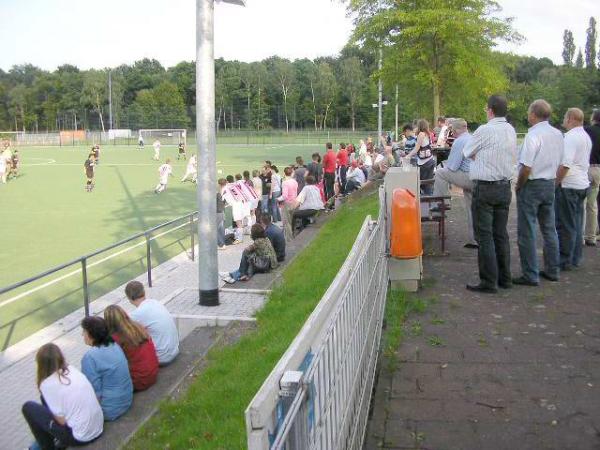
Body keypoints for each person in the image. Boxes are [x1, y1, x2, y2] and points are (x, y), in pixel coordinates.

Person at [462, 94, 517, 294]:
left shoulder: (484, 130)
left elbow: (467, 151)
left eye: (486, 109)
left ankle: (489, 280)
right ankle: (505, 277)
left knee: (484, 235)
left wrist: (482, 157)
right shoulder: (510, 129)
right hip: (504, 186)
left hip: (485, 187)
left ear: (491, 110)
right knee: (500, 234)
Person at [513, 100, 563, 286]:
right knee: (549, 229)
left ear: (534, 114)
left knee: (527, 230)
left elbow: (526, 166)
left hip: (533, 184)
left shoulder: (533, 136)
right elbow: (562, 162)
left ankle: (530, 274)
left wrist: (519, 185)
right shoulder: (558, 134)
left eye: (528, 112)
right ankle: (553, 269)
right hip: (550, 182)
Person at [22, 344, 103, 450]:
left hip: (81, 437)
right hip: (97, 427)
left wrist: (52, 416)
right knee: (45, 403)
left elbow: (62, 422)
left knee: (28, 407)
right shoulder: (71, 369)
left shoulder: (46, 385)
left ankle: (47, 447)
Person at [555, 108, 592, 271]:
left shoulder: (570, 137)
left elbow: (565, 164)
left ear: (570, 118)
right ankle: (575, 257)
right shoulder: (585, 136)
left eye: (564, 117)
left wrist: (556, 182)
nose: (563, 120)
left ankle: (564, 259)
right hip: (582, 183)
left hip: (569, 184)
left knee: (565, 224)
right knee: (576, 223)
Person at [432, 118, 478, 248]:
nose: (452, 133)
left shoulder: (459, 141)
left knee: (440, 172)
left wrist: (444, 165)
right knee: (471, 207)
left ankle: (441, 203)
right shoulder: (472, 137)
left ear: (456, 130)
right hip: (477, 176)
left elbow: (452, 167)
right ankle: (473, 239)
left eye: (452, 130)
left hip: (468, 176)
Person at [81, 316, 133, 421]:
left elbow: (94, 392)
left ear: (91, 335)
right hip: (126, 400)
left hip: (110, 410)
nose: (82, 334)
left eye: (84, 331)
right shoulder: (115, 345)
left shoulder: (89, 357)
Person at [104, 305, 159, 392]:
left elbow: (111, 364)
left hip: (139, 381)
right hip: (153, 373)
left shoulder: (116, 339)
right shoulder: (138, 326)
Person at [125, 280, 179, 365]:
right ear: (144, 292)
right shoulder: (155, 302)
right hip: (174, 350)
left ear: (129, 298)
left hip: (162, 358)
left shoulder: (138, 314)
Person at [584, 109, 600, 246]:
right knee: (593, 205)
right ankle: (591, 236)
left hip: (586, 168)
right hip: (598, 170)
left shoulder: (586, 130)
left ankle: (580, 235)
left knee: (581, 203)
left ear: (593, 118)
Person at [407, 119, 436, 194]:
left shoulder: (421, 134)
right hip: (430, 160)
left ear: (419, 126)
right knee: (428, 184)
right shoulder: (428, 134)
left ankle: (424, 199)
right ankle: (430, 199)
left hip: (424, 163)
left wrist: (408, 156)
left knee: (421, 183)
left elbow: (416, 148)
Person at [279, 166, 298, 241]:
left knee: (287, 222)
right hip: (294, 202)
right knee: (292, 221)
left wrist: (278, 199)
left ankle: (289, 239)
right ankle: (293, 236)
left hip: (287, 203)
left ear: (284, 173)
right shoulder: (295, 181)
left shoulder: (285, 183)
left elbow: (284, 196)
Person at [217, 178, 227, 249]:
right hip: (222, 210)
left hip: (218, 212)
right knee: (221, 228)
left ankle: (221, 244)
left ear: (219, 184)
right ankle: (222, 243)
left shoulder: (220, 192)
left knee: (219, 228)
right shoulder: (225, 190)